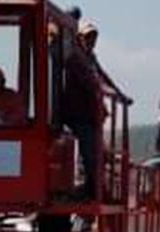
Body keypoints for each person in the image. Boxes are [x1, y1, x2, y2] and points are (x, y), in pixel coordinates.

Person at [63, 22, 104, 198]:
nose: (91, 40)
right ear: (79, 38)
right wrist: (100, 93)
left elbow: (102, 77)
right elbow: (90, 82)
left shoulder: (91, 57)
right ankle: (90, 187)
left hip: (88, 113)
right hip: (76, 112)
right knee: (87, 149)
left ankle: (92, 185)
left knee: (93, 149)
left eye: (93, 37)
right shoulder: (76, 58)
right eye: (88, 36)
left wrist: (119, 93)